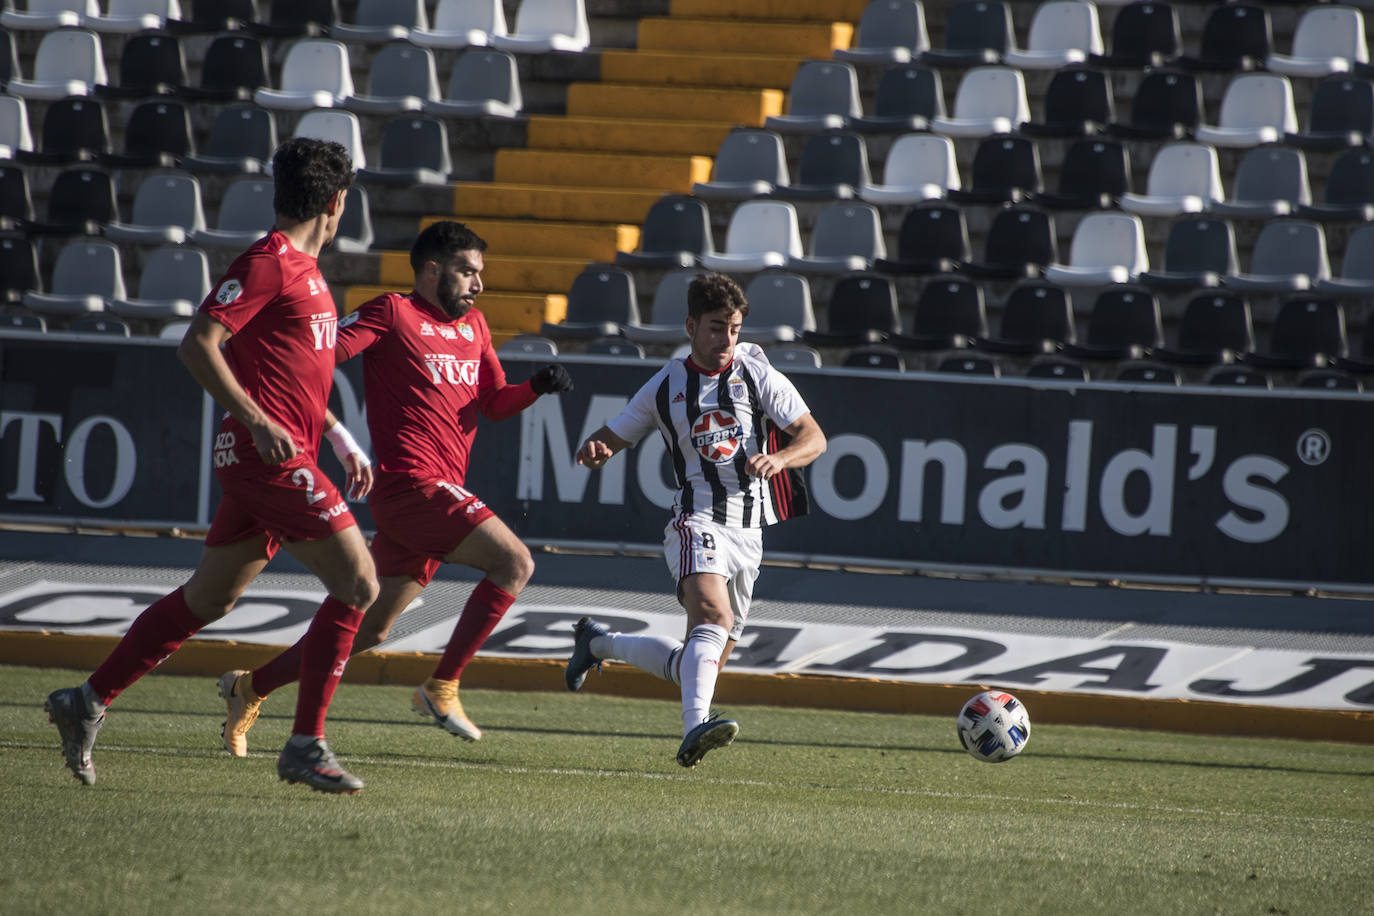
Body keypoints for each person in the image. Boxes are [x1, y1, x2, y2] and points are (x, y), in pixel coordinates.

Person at [44, 137, 380, 794]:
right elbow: (198, 345)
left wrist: (338, 436)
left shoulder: (306, 275)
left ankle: (85, 700)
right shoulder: (271, 262)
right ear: (337, 202)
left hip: (274, 461)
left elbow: (294, 375)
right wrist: (258, 423)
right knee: (361, 585)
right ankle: (305, 745)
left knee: (210, 598)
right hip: (266, 462)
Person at [215, 220, 574, 757]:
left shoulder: (475, 325)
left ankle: (247, 688)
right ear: (432, 271)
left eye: (480, 274)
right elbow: (320, 356)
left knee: (366, 630)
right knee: (515, 563)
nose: (478, 285)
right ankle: (442, 687)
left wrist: (535, 389)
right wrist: (283, 400)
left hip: (436, 495)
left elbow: (495, 402)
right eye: (467, 272)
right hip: (411, 485)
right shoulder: (390, 312)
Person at [567, 272, 826, 768]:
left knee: (695, 662)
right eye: (714, 328)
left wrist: (781, 459)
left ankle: (597, 643)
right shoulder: (666, 385)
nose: (725, 339)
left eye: (733, 328)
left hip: (749, 534)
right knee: (713, 617)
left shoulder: (757, 374)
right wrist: (598, 448)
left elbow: (814, 438)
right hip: (696, 517)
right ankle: (694, 730)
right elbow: (614, 434)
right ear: (690, 326)